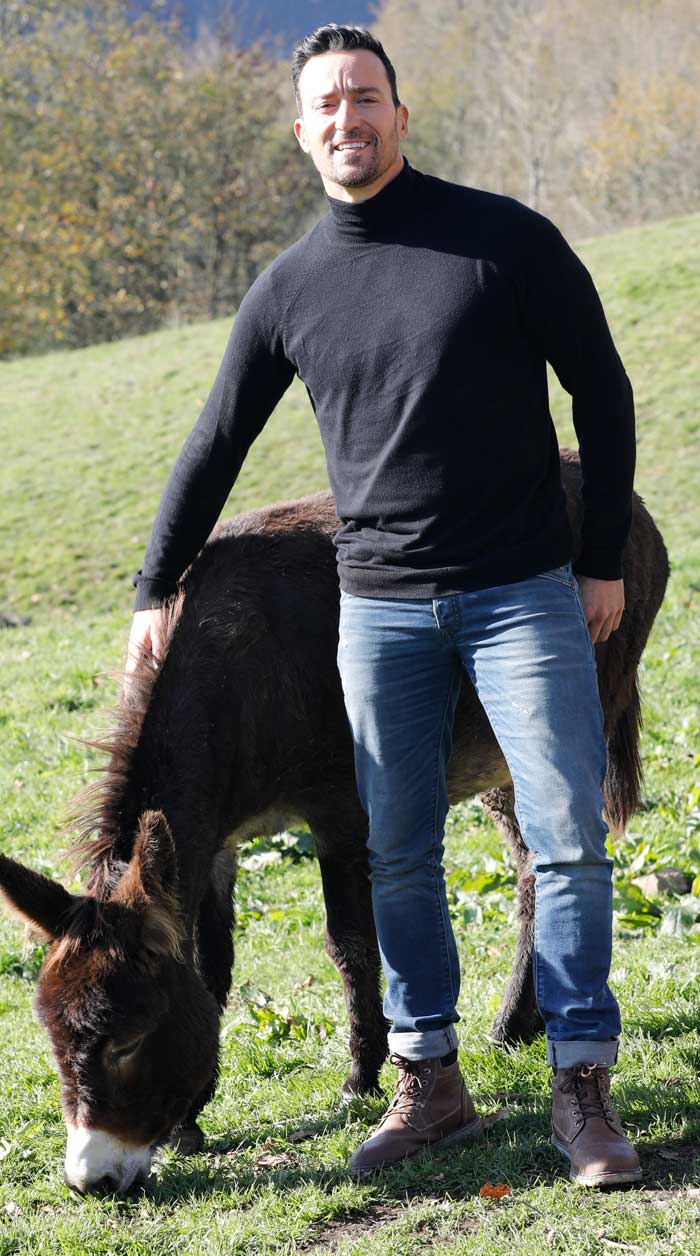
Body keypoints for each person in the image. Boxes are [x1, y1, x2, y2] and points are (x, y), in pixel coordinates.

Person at [128, 24, 640, 1187]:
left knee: (564, 837)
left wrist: (601, 554)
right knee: (395, 851)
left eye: (365, 97)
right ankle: (428, 1082)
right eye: (326, 104)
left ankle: (582, 1086)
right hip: (381, 613)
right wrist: (154, 584)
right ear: (301, 131)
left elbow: (601, 389)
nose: (346, 119)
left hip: (522, 595)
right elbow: (215, 442)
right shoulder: (289, 288)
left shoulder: (503, 239)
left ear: (400, 116)